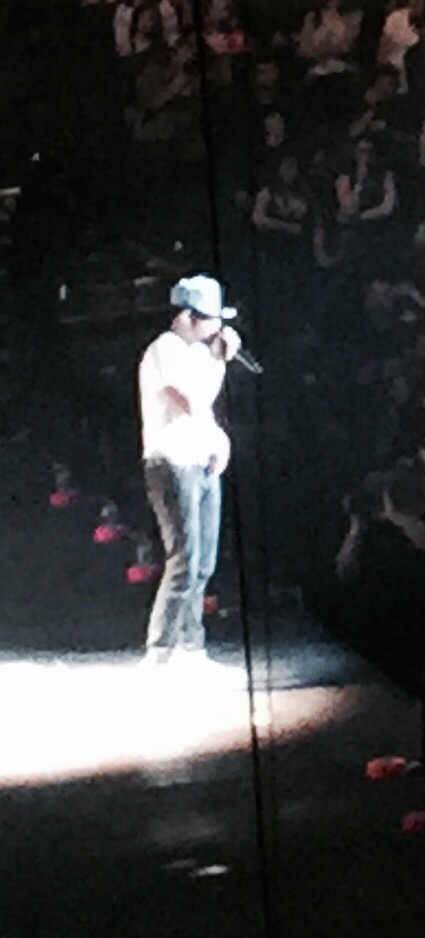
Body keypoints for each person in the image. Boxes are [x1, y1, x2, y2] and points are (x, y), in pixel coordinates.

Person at [138, 273, 240, 662]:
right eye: (213, 320)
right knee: (184, 559)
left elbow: (206, 405)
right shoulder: (165, 348)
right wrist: (219, 361)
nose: (219, 328)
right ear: (190, 316)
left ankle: (191, 645)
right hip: (171, 462)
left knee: (204, 563)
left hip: (200, 463)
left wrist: (218, 358)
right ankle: (160, 650)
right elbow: (188, 399)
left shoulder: (200, 353)